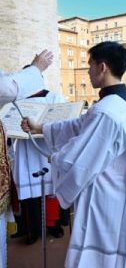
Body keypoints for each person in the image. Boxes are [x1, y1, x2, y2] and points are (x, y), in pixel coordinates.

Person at [22, 42, 126, 268]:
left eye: (90, 65)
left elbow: (81, 158)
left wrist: (56, 157)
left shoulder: (106, 110)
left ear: (102, 67)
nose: (88, 71)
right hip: (117, 188)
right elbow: (79, 125)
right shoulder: (120, 102)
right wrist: (40, 127)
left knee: (98, 257)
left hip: (104, 195)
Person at [0, 49, 53, 268]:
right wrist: (36, 68)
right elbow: (7, 88)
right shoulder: (16, 96)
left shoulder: (53, 96)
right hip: (25, 151)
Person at [11, 82, 66, 244]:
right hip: (27, 150)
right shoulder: (18, 101)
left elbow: (64, 120)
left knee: (51, 192)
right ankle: (31, 230)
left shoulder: (55, 97)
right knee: (30, 196)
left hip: (47, 148)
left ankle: (53, 226)